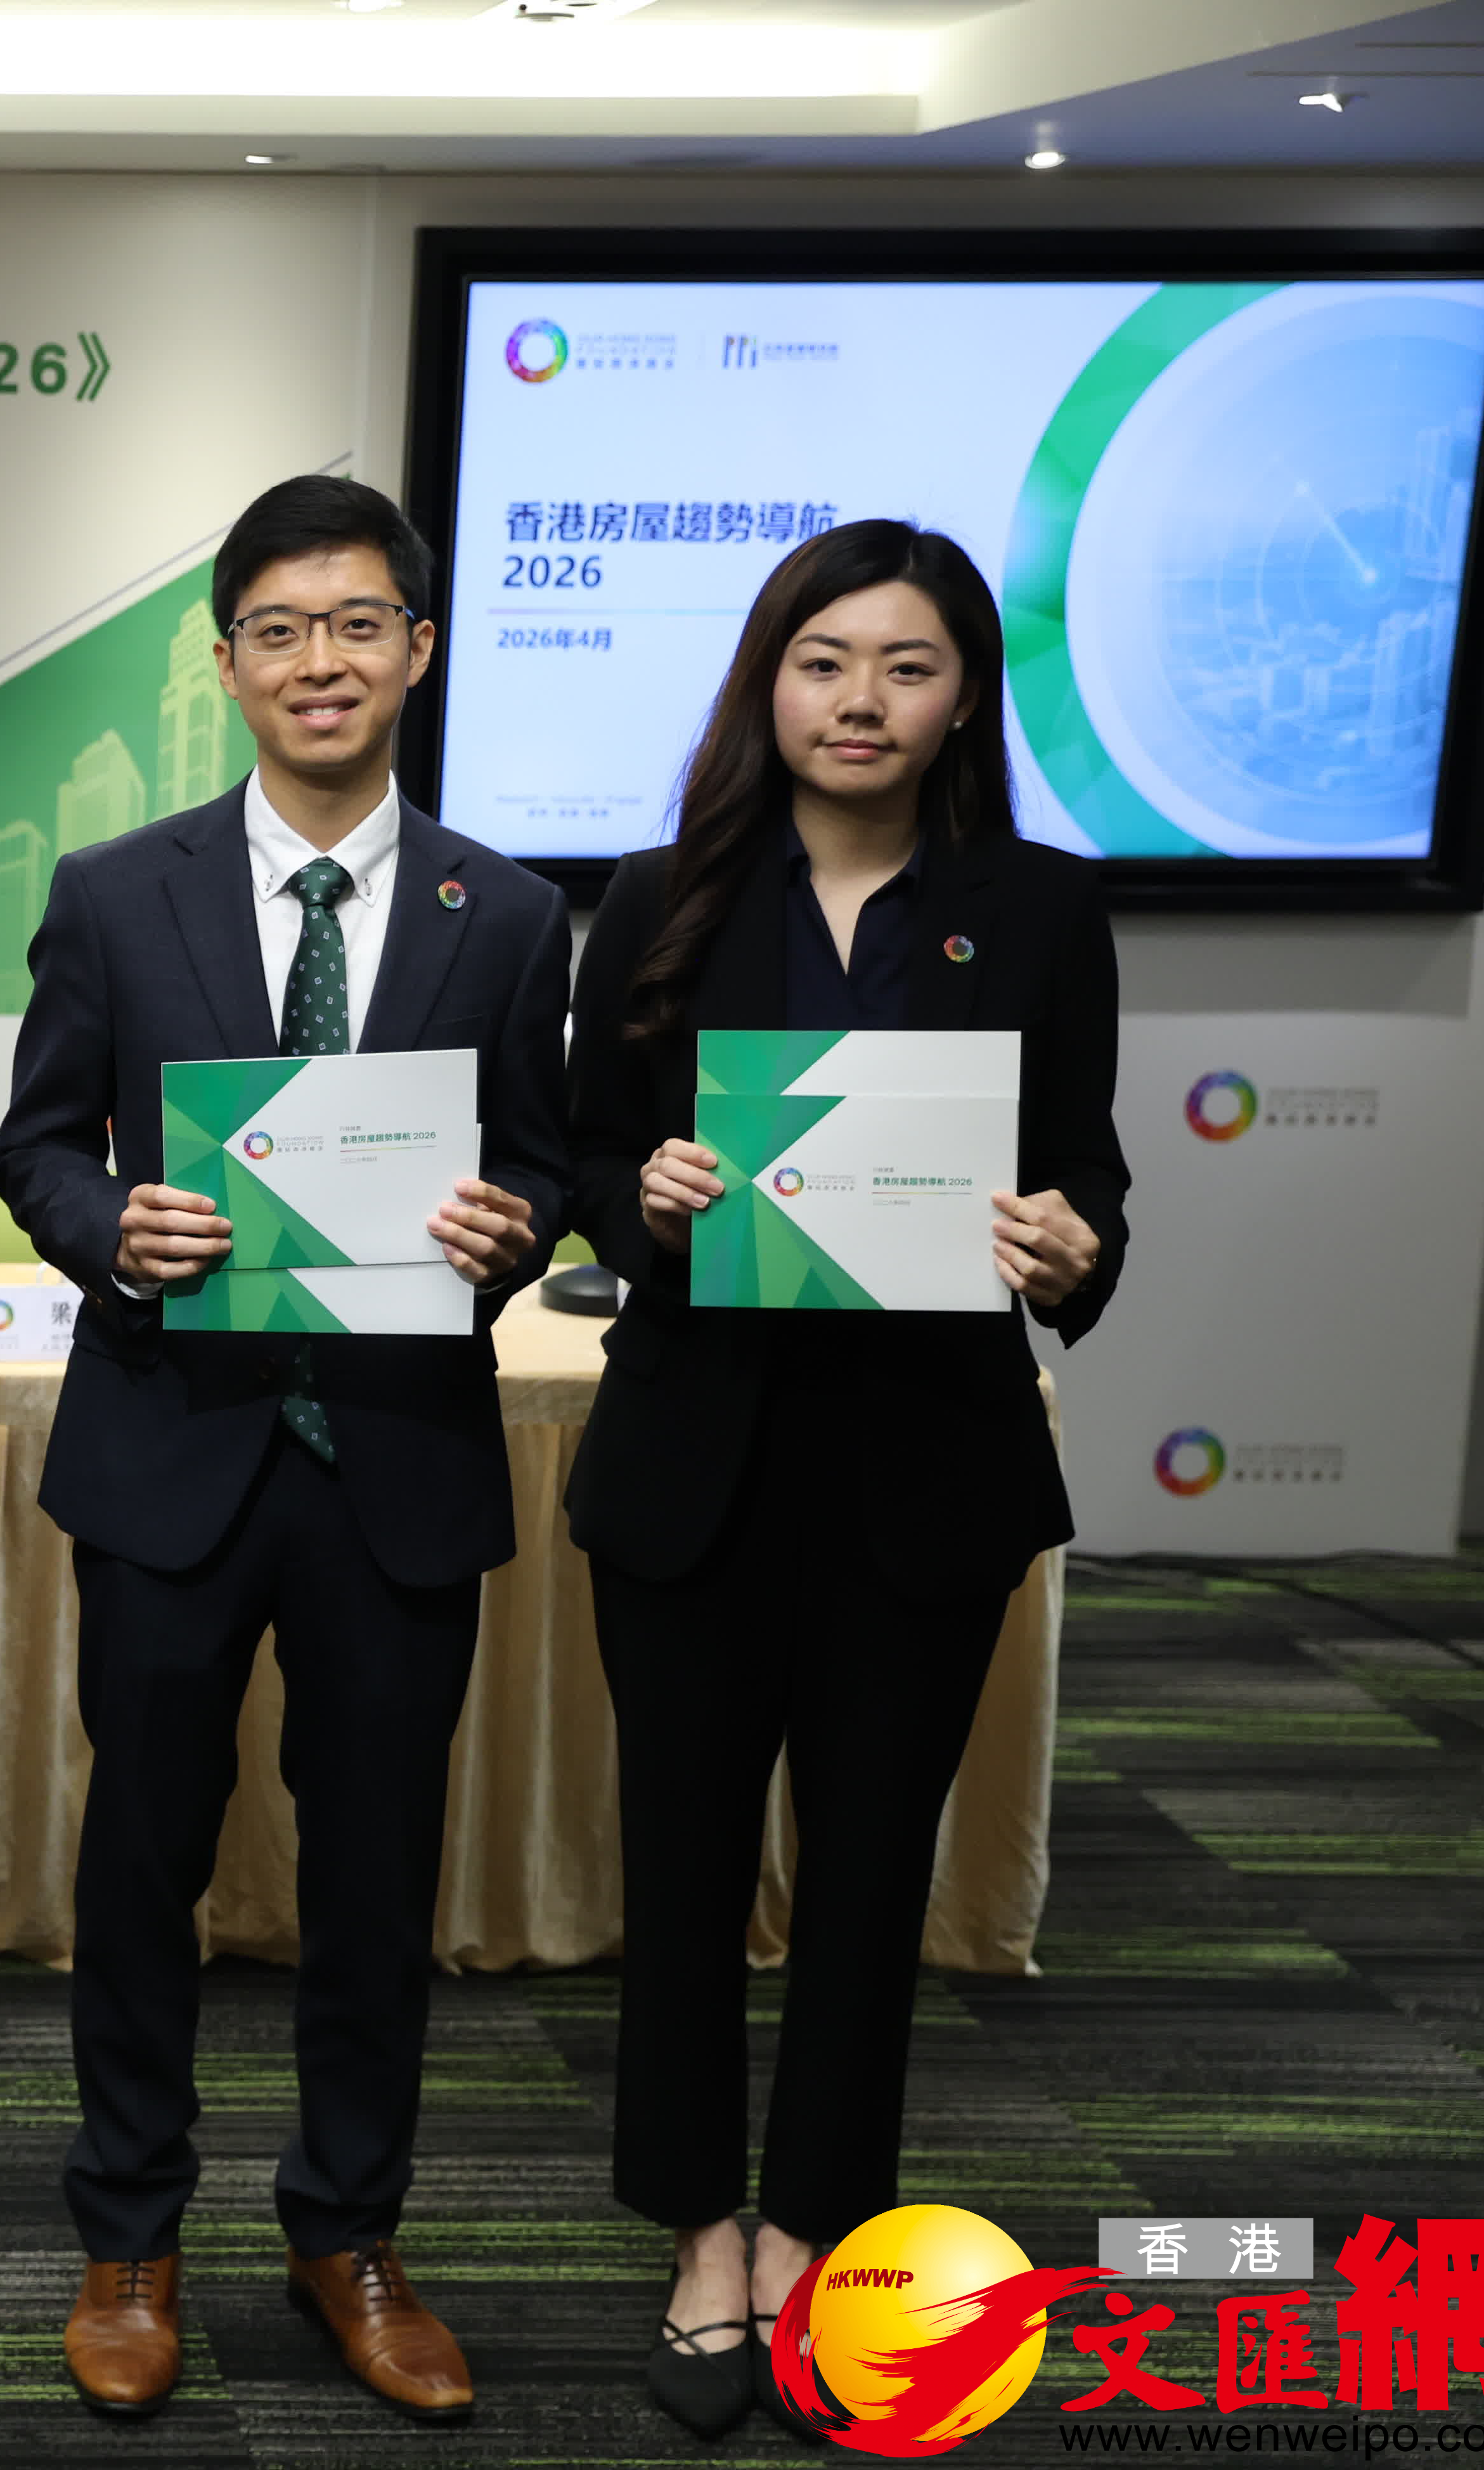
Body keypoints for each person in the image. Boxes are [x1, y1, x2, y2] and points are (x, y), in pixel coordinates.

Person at [0, 475, 571, 2424]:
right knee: (139, 1865)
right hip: (174, 1453)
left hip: (396, 1461)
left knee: (378, 1879)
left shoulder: (513, 912)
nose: (319, 661)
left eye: (357, 624)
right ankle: (129, 2232)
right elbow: (39, 1146)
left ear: (419, 648)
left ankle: (350, 2232)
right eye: (278, 629)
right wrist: (112, 1228)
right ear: (227, 660)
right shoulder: (115, 890)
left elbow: (544, 1152)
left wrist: (513, 1223)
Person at [562, 520, 1123, 2440]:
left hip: (926, 1469)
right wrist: (641, 1202)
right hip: (698, 1465)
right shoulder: (664, 897)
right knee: (686, 1866)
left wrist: (1072, 1247)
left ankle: (815, 2228)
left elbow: (1087, 1170)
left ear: (964, 697)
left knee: (873, 1876)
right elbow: (589, 1156)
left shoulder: (1039, 909)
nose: (860, 700)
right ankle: (697, 2227)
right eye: (824, 662)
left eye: (906, 665)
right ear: (768, 682)